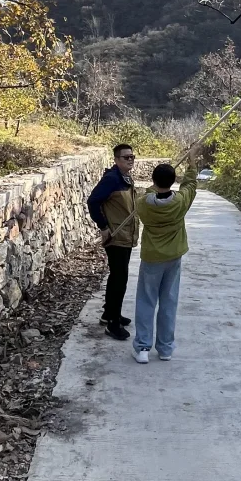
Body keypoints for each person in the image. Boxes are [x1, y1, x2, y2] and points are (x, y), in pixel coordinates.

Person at [132, 157, 198, 364]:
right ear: (173, 181)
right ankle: (165, 349)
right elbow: (190, 185)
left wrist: (155, 186)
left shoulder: (143, 204)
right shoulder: (180, 202)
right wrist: (192, 162)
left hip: (152, 257)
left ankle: (143, 348)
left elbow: (150, 193)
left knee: (146, 300)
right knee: (169, 301)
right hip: (173, 257)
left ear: (153, 180)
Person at [86, 143, 139, 341]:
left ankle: (110, 313)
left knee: (118, 276)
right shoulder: (111, 179)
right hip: (116, 236)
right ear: (116, 159)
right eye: (126, 157)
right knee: (119, 278)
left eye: (132, 156)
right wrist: (103, 227)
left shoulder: (125, 178)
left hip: (126, 235)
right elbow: (93, 201)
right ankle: (112, 324)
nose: (130, 159)